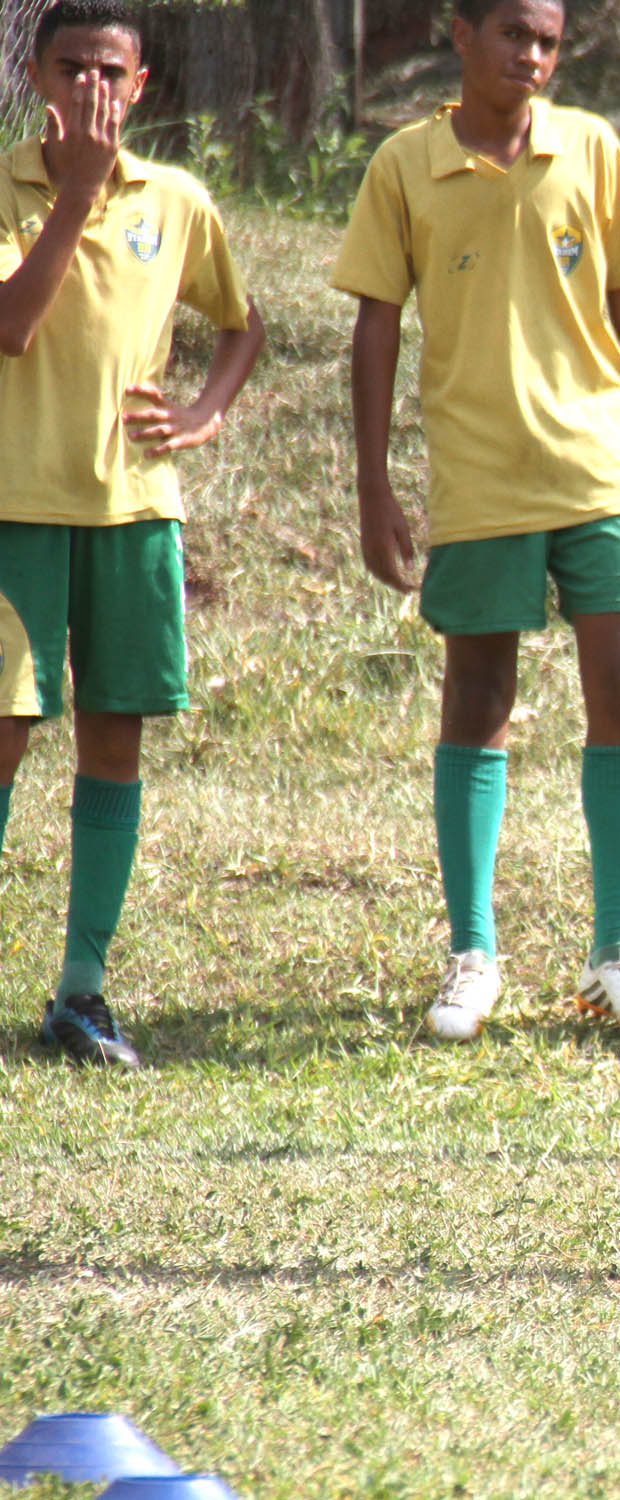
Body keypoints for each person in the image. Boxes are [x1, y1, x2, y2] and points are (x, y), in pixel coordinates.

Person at [335, 0, 620, 1044]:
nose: (532, 55)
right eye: (513, 34)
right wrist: (372, 483)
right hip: (479, 479)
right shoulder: (405, 164)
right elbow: (374, 324)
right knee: (479, 694)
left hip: (597, 471)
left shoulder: (593, 147)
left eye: (548, 38)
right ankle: (472, 954)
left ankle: (617, 951)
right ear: (461, 32)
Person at [0, 0, 265, 1068]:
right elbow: (13, 326)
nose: (90, 92)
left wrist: (201, 414)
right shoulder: (15, 187)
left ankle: (81, 990)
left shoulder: (179, 202)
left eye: (111, 73)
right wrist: (70, 198)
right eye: (71, 69)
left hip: (134, 514)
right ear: (33, 72)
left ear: (143, 85)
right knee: (6, 735)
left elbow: (240, 325)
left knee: (116, 740)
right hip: (16, 506)